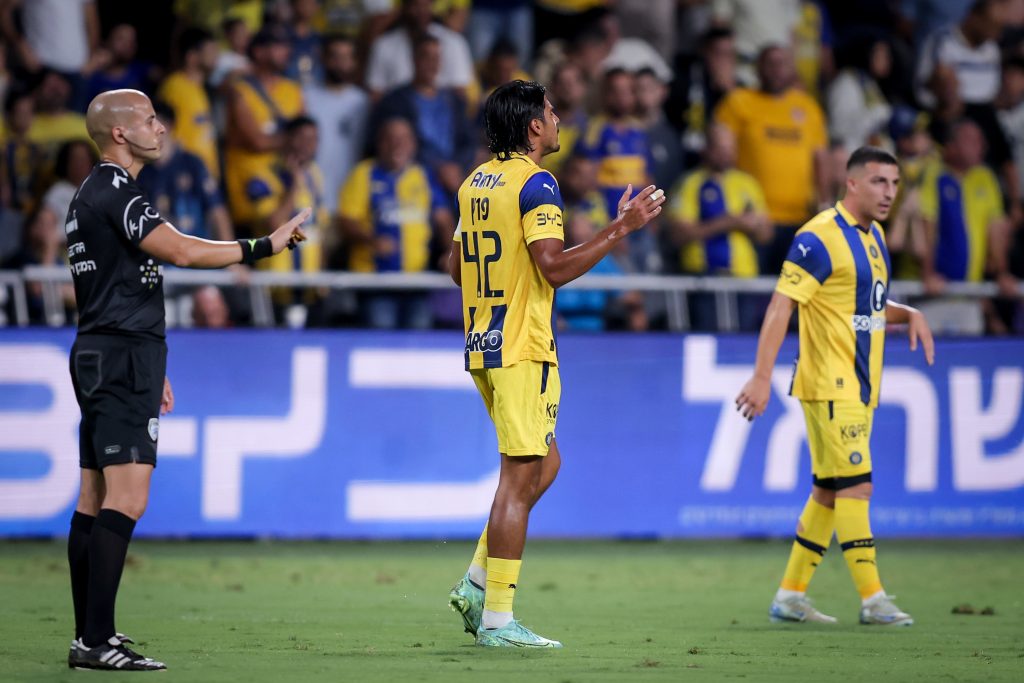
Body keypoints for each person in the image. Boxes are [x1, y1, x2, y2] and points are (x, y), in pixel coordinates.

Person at [64, 88, 308, 671]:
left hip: (108, 351)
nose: (161, 128)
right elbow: (181, 251)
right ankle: (95, 641)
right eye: (150, 120)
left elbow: (121, 284)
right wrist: (261, 245)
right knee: (128, 498)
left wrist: (154, 366)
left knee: (94, 497)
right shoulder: (116, 190)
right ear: (119, 133)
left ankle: (90, 635)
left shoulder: (90, 193)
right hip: (121, 355)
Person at [445, 80, 665, 648]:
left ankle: (476, 582)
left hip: (484, 344)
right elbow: (554, 268)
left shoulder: (475, 183)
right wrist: (622, 228)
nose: (559, 117)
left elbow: (455, 267)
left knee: (546, 464)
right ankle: (497, 620)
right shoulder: (537, 183)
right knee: (519, 479)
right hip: (523, 346)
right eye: (551, 110)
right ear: (534, 126)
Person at [735, 146, 935, 628]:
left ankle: (790, 596)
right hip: (830, 381)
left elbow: (864, 304)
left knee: (828, 490)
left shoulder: (875, 236)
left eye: (895, 183)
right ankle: (873, 598)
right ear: (852, 183)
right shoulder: (819, 237)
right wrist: (761, 375)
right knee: (856, 486)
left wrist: (908, 313)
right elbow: (782, 304)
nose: (889, 192)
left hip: (861, 385)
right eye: (879, 181)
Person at [714, 45, 828, 275]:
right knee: (754, 289)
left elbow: (821, 159)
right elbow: (720, 148)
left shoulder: (808, 107)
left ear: (792, 69)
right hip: (753, 220)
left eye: (782, 63)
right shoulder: (738, 101)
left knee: (793, 290)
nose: (776, 70)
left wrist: (824, 203)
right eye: (770, 64)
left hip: (800, 219)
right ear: (758, 69)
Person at [338, 117, 453, 329]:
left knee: (419, 336)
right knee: (381, 331)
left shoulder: (424, 176)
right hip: (375, 282)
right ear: (380, 143)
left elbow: (443, 219)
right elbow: (346, 221)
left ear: (414, 144)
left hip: (417, 281)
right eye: (390, 138)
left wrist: (450, 251)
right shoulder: (363, 174)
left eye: (404, 138)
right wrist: (372, 240)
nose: (397, 144)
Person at [668, 124, 770, 330]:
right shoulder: (690, 184)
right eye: (721, 148)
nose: (726, 154)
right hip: (703, 278)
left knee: (743, 342)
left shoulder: (746, 184)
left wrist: (752, 226)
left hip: (743, 277)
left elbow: (766, 233)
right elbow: (678, 234)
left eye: (731, 148)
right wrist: (728, 222)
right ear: (706, 149)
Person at [303, 35, 369, 216]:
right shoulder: (306, 97)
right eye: (335, 57)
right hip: (312, 200)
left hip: (351, 201)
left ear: (354, 62)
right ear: (323, 59)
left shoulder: (362, 102)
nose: (341, 63)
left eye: (347, 57)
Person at [156, 27, 221, 180]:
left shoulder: (200, 89)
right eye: (211, 50)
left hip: (204, 178)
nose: (216, 56)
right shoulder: (175, 86)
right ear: (191, 56)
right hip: (185, 178)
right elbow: (165, 133)